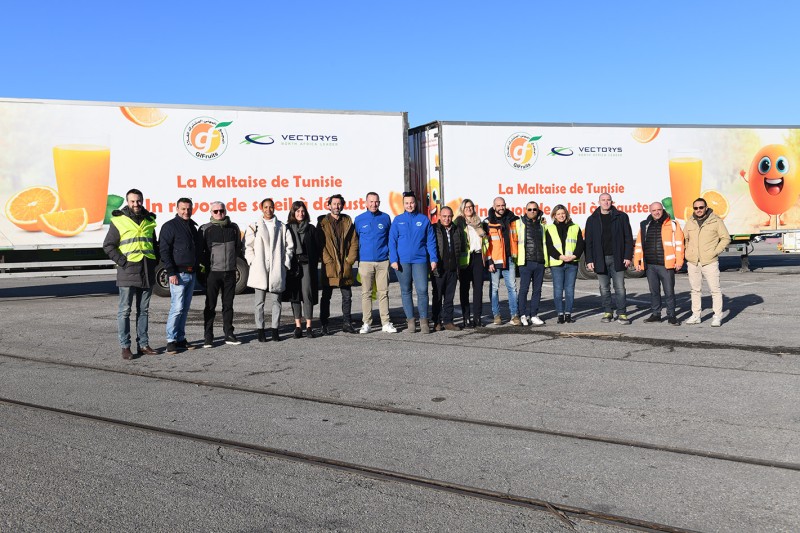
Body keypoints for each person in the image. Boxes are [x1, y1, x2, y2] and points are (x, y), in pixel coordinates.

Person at [103, 188, 159, 359]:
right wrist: (123, 262)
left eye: (138, 200)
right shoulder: (119, 220)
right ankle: (125, 347)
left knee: (144, 311)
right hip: (128, 271)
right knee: (125, 311)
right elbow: (108, 245)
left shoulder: (149, 220)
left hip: (146, 271)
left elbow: (153, 244)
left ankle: (143, 345)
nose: (136, 204)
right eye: (133, 201)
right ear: (128, 202)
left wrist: (155, 263)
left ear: (142, 201)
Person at [245, 198, 294, 342]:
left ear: (274, 208)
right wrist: (252, 261)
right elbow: (248, 246)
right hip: (259, 267)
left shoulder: (282, 226)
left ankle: (275, 329)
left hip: (276, 268)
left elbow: (289, 246)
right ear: (261, 208)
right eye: (265, 207)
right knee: (259, 302)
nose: (268, 210)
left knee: (276, 302)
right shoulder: (254, 226)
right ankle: (260, 330)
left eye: (271, 207)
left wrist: (285, 263)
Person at [389, 192, 438, 333]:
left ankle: (424, 321)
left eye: (411, 202)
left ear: (415, 203)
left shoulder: (423, 219)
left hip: (420, 260)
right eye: (406, 203)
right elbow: (392, 241)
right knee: (406, 291)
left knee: (422, 290)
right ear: (403, 204)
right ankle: (410, 321)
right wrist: (393, 259)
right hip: (402, 261)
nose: (409, 205)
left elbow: (430, 241)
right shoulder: (398, 220)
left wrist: (433, 258)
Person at [160, 197, 203, 354]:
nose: (186, 212)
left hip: (191, 273)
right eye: (183, 209)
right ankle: (171, 340)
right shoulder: (170, 226)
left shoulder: (192, 226)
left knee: (184, 309)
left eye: (189, 209)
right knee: (177, 308)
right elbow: (164, 250)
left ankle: (180, 338)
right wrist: (171, 272)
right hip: (178, 274)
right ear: (177, 209)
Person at [584, 193, 634, 324]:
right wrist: (589, 260)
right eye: (603, 200)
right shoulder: (592, 219)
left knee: (620, 288)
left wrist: (628, 256)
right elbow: (588, 242)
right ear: (599, 202)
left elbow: (628, 238)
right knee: (604, 288)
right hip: (600, 259)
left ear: (612, 201)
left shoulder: (621, 217)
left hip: (618, 258)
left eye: (608, 200)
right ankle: (608, 312)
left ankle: (622, 313)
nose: (606, 202)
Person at [199, 201, 243, 348]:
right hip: (213, 273)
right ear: (211, 213)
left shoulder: (234, 228)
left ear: (226, 211)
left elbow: (238, 248)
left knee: (228, 305)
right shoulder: (205, 229)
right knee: (210, 306)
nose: (219, 213)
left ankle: (229, 334)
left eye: (222, 211)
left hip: (229, 273)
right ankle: (208, 336)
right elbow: (200, 252)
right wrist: (207, 267)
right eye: (216, 211)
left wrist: (231, 263)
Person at [633, 202, 685, 325]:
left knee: (669, 292)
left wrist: (679, 261)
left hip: (666, 265)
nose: (656, 212)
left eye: (659, 210)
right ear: (650, 211)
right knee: (654, 292)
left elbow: (679, 244)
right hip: (650, 265)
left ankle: (671, 316)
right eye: (654, 210)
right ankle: (656, 314)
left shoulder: (672, 224)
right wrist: (637, 261)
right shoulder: (645, 225)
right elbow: (639, 244)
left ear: (663, 210)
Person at [683, 197, 731, 327]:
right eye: (696, 208)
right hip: (693, 262)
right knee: (695, 290)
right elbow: (684, 238)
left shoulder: (716, 221)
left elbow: (725, 238)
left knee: (715, 290)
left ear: (706, 208)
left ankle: (717, 316)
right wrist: (688, 252)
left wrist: (715, 252)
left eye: (701, 207)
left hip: (710, 261)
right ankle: (696, 315)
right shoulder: (690, 222)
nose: (698, 210)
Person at [354, 192, 396, 333]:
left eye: (376, 201)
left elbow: (390, 239)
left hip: (383, 261)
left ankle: (386, 322)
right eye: (371, 201)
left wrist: (391, 257)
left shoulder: (385, 218)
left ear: (379, 202)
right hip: (365, 262)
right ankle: (366, 323)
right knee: (366, 293)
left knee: (383, 293)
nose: (374, 204)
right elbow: (356, 240)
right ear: (366, 203)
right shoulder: (359, 219)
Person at [317, 194, 358, 335]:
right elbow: (320, 244)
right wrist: (327, 260)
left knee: (347, 296)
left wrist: (350, 260)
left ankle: (347, 323)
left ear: (343, 205)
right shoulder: (322, 222)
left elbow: (354, 242)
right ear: (328, 205)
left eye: (339, 204)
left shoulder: (347, 221)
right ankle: (324, 324)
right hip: (330, 265)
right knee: (326, 296)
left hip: (344, 265)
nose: (337, 206)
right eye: (334, 204)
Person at [282, 201, 319, 339]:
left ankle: (309, 326)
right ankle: (298, 326)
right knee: (295, 295)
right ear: (293, 212)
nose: (300, 213)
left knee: (307, 294)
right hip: (293, 266)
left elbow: (317, 247)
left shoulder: (311, 228)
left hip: (307, 265)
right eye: (297, 211)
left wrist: (313, 261)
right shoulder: (287, 228)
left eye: (303, 211)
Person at [545, 204, 584, 324]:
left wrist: (574, 256)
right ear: (554, 215)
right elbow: (549, 246)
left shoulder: (575, 227)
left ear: (566, 214)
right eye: (558, 214)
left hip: (572, 263)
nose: (561, 216)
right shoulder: (549, 228)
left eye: (563, 213)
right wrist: (560, 256)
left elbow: (580, 244)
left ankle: (568, 313)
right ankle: (560, 314)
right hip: (557, 263)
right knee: (558, 290)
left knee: (569, 290)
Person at [485, 196, 521, 325]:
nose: (501, 208)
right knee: (494, 288)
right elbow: (485, 244)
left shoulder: (513, 220)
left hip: (509, 259)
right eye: (498, 206)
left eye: (503, 205)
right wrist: (489, 260)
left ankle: (514, 316)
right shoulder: (488, 222)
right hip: (495, 261)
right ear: (494, 206)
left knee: (512, 288)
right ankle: (497, 315)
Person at [431, 206, 466, 331]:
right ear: (439, 216)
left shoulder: (456, 230)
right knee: (437, 297)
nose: (447, 219)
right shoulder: (434, 229)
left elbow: (460, 248)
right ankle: (436, 322)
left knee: (449, 297)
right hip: (439, 269)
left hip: (452, 269)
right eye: (444, 216)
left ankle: (448, 321)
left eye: (449, 216)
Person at [454, 199, 487, 328]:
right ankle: (466, 318)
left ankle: (477, 318)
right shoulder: (459, 222)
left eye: (471, 206)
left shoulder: (479, 222)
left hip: (478, 256)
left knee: (478, 289)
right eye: (466, 207)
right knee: (464, 289)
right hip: (465, 259)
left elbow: (484, 241)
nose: (469, 209)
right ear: (462, 209)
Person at [516, 201, 548, 326]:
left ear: (538, 210)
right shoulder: (520, 223)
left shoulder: (542, 225)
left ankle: (534, 315)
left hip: (539, 262)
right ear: (526, 210)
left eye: (534, 209)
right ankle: (522, 315)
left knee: (537, 290)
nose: (532, 211)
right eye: (529, 209)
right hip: (526, 262)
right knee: (524, 290)